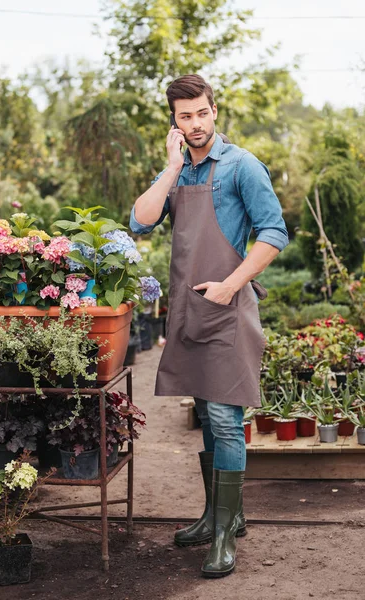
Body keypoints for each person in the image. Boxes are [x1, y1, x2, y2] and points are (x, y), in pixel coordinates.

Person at [129, 74, 289, 578]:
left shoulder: (242, 166)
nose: (194, 124)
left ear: (214, 110)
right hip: (188, 311)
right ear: (173, 122)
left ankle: (224, 534)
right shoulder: (177, 172)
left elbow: (273, 232)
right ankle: (220, 514)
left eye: (201, 113)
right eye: (184, 117)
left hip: (226, 310)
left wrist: (229, 284)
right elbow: (139, 220)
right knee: (205, 412)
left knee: (223, 420)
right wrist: (172, 165)